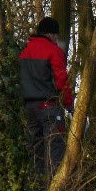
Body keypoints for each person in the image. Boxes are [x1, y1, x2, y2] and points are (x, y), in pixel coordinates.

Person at [18, 18, 75, 177]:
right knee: (55, 152)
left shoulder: (24, 51)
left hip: (29, 108)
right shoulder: (53, 51)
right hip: (49, 107)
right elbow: (62, 81)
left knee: (36, 153)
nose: (57, 39)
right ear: (50, 34)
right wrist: (69, 105)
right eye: (56, 35)